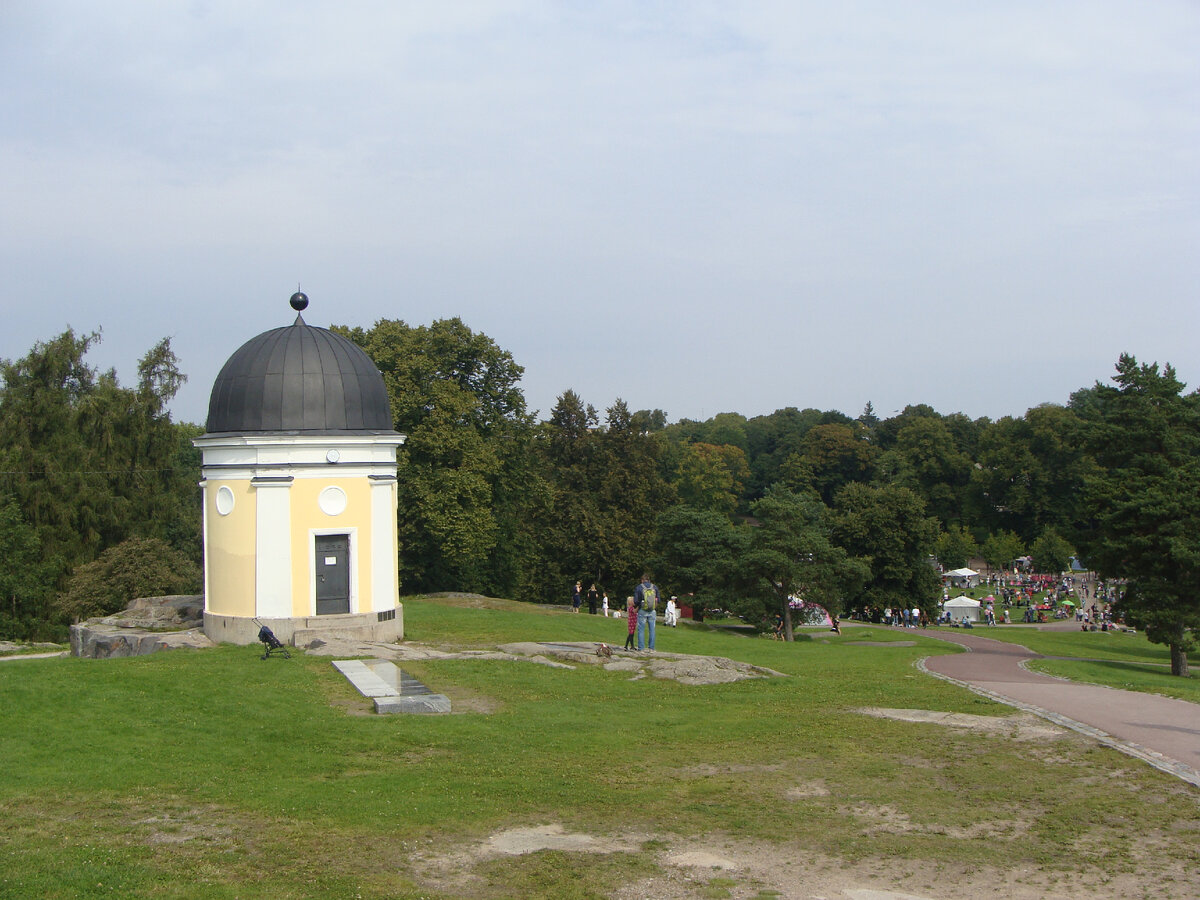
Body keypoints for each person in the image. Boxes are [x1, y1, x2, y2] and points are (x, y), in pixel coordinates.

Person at [634, 573, 659, 651]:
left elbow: (636, 601)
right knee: (652, 630)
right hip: (652, 610)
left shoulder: (639, 587)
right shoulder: (655, 587)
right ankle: (651, 648)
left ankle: (641, 648)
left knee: (641, 629)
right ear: (649, 580)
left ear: (642, 580)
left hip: (642, 610)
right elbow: (658, 599)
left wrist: (638, 607)